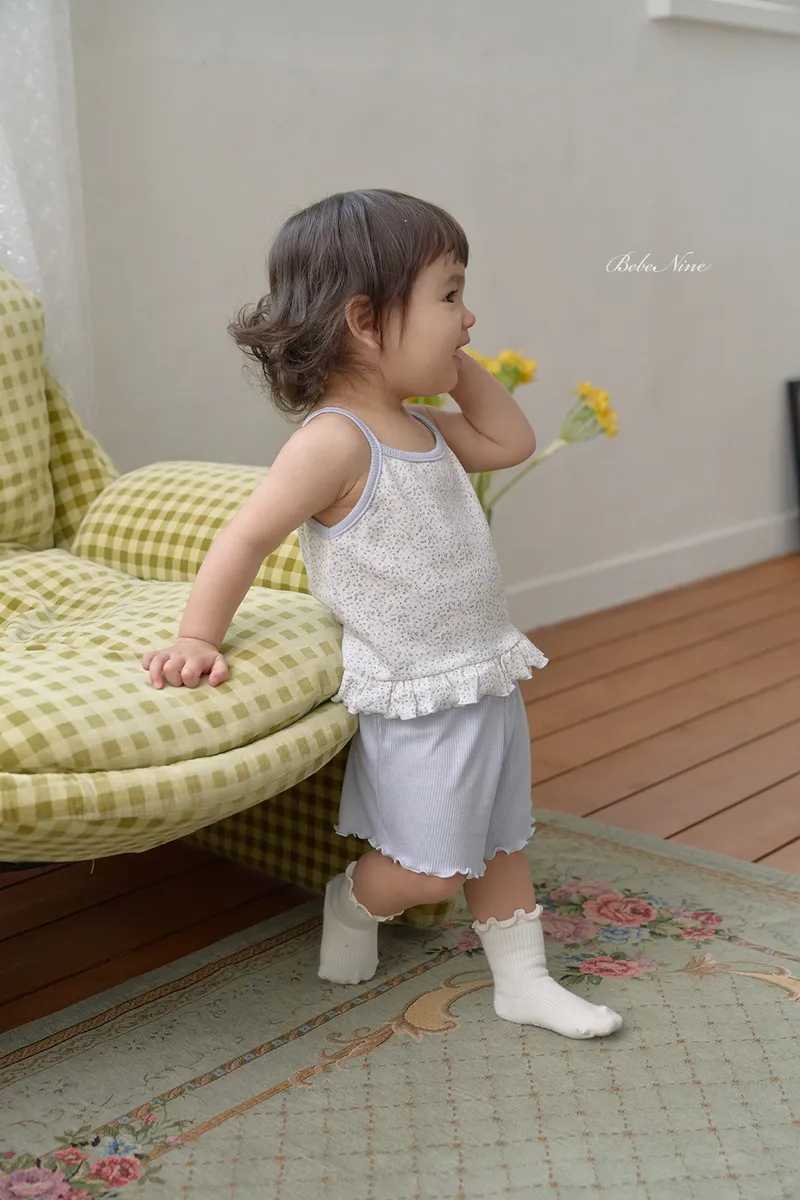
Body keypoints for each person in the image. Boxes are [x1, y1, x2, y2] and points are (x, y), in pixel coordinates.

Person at [142, 189, 622, 1040]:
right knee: (430, 871)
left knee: (501, 840)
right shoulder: (334, 442)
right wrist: (196, 635)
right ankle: (354, 901)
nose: (469, 317)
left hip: (484, 672)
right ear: (365, 321)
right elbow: (245, 537)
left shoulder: (427, 427)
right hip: (414, 694)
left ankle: (523, 981)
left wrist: (455, 360)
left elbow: (510, 442)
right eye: (450, 296)